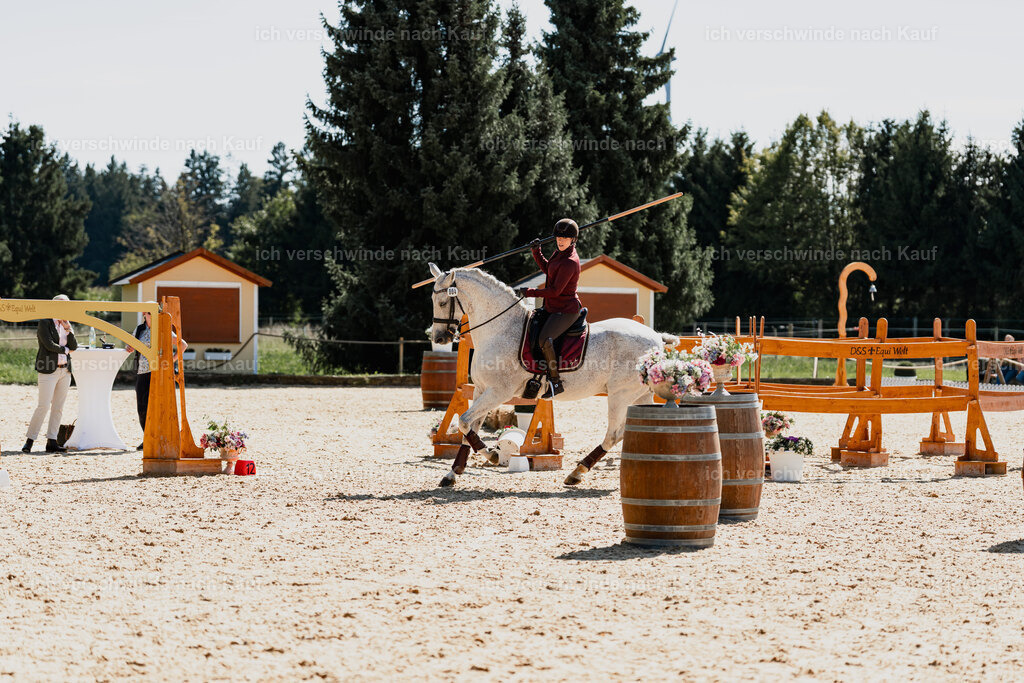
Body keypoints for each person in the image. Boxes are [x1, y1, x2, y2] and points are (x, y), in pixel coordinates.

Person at [516, 218, 582, 396]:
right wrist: (536, 252)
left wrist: (529, 292)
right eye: (558, 237)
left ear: (573, 240)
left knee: (545, 339)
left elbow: (554, 291)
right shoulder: (558, 254)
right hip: (552, 307)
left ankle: (555, 382)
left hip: (566, 310)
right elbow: (548, 269)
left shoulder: (570, 262)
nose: (560, 241)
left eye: (565, 238)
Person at [23, 295, 78, 453]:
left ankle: (52, 441)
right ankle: (30, 441)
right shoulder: (44, 322)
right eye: (61, 305)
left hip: (65, 370)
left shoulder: (67, 324)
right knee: (43, 406)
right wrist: (66, 350)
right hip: (48, 369)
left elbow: (74, 345)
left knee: (58, 408)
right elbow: (48, 344)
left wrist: (68, 329)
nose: (64, 309)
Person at [126, 309, 187, 450]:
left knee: (158, 407)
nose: (153, 315)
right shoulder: (139, 329)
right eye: (149, 312)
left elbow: (183, 345)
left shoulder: (163, 329)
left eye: (155, 312)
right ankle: (147, 437)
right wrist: (129, 347)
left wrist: (171, 361)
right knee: (142, 407)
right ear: (144, 314)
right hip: (142, 371)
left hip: (159, 373)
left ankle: (160, 438)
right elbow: (131, 345)